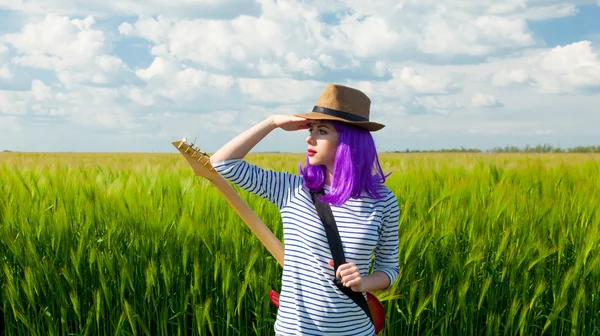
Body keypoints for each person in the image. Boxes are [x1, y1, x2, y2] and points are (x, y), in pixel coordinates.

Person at [209, 84, 400, 335]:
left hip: (354, 330)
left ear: (348, 140)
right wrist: (272, 122)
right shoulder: (291, 190)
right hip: (295, 331)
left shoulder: (383, 201)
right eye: (310, 129)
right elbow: (222, 163)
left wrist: (364, 282)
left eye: (322, 131)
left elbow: (390, 269)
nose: (309, 138)